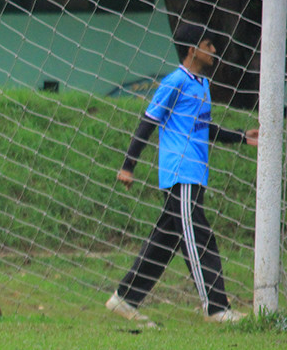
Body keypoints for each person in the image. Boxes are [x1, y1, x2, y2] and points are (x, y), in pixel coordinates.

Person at [106, 23, 258, 327]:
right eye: (209, 45)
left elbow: (204, 128)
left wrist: (242, 136)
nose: (214, 51)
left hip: (195, 174)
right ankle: (216, 307)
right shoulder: (175, 82)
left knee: (166, 240)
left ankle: (124, 298)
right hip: (180, 173)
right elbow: (148, 121)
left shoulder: (201, 85)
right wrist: (128, 165)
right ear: (193, 50)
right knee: (200, 237)